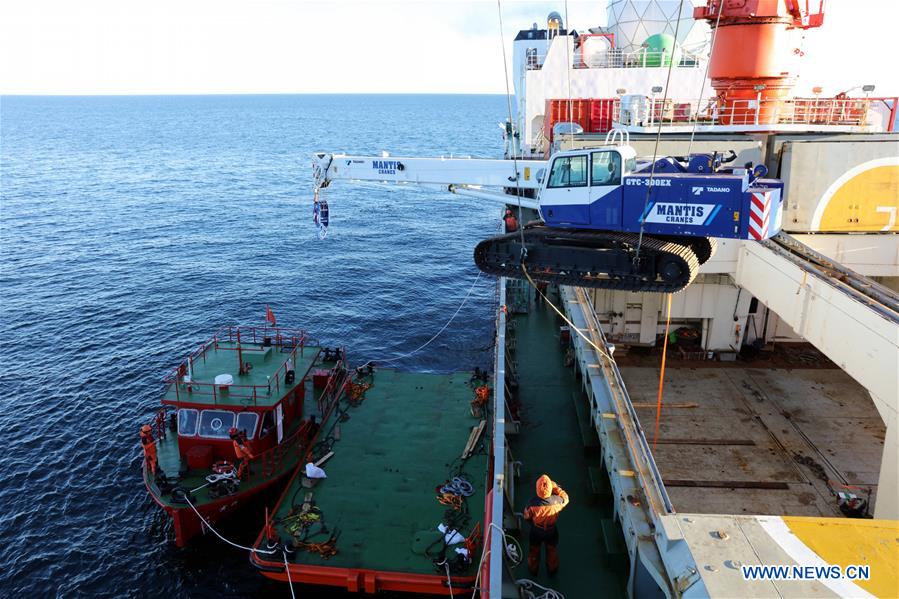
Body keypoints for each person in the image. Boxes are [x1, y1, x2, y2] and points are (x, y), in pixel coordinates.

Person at [523, 474, 569, 576]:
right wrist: (556, 487)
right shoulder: (557, 501)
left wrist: (533, 523)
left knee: (534, 550)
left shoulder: (531, 503)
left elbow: (526, 517)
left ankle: (533, 570)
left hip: (536, 531)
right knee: (551, 550)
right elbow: (566, 498)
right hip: (551, 531)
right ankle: (552, 570)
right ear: (550, 488)